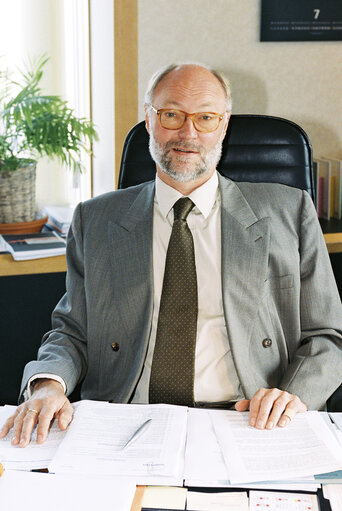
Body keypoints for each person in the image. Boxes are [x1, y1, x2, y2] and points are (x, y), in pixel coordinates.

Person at [1, 63, 342, 448]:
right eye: (172, 114)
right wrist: (47, 385)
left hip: (250, 419)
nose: (188, 133)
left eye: (206, 118)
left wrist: (292, 397)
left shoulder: (290, 210)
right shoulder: (95, 220)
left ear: (224, 124)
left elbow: (328, 336)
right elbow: (73, 331)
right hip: (126, 420)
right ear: (149, 119)